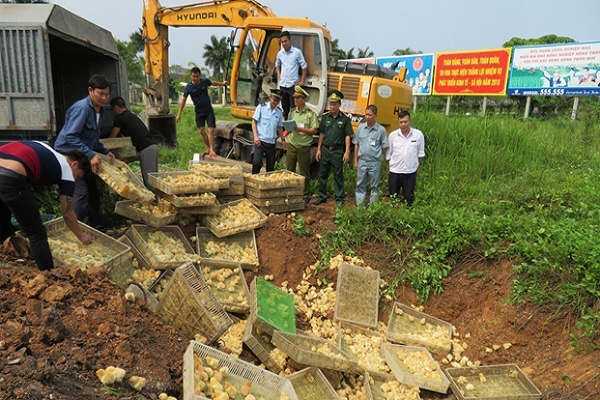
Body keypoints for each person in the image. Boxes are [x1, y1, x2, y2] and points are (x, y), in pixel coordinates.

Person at [0, 141, 93, 271]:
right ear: (74, 164)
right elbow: (67, 213)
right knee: (37, 233)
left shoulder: (46, 149)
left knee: (3, 216)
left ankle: (5, 259)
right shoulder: (66, 171)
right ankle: (49, 275)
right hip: (11, 176)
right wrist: (81, 235)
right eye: (77, 175)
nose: (75, 179)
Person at [54, 74, 114, 230]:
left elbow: (92, 139)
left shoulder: (100, 111)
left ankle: (98, 228)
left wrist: (104, 151)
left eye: (106, 94)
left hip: (84, 153)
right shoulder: (81, 108)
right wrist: (92, 154)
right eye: (100, 93)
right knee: (81, 193)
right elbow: (70, 136)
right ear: (90, 91)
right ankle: (80, 230)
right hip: (70, 154)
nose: (104, 98)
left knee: (93, 192)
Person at [109, 96, 159, 191]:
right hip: (152, 147)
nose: (113, 113)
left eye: (112, 110)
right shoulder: (131, 115)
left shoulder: (120, 118)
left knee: (149, 180)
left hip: (146, 148)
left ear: (116, 107)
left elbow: (112, 138)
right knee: (153, 178)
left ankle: (155, 203)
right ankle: (157, 200)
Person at [176, 67, 228, 157]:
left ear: (199, 75)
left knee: (211, 130)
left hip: (208, 110)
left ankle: (212, 150)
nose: (195, 79)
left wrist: (223, 84)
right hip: (199, 112)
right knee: (202, 131)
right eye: (193, 77)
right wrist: (179, 114)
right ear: (191, 77)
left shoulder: (204, 81)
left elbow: (213, 83)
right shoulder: (189, 87)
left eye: (197, 76)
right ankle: (208, 148)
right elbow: (183, 100)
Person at [315, 90, 353, 205]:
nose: (332, 106)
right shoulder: (325, 118)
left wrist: (346, 152)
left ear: (339, 105)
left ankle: (339, 198)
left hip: (337, 151)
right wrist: (318, 149)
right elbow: (321, 133)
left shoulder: (344, 119)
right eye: (331, 104)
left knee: (338, 175)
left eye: (334, 104)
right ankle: (322, 196)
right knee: (322, 174)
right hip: (325, 150)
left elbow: (347, 136)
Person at [286, 86, 318, 202]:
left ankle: (305, 194)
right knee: (289, 170)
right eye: (294, 97)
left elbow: (314, 130)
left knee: (304, 171)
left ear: (304, 99)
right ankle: (289, 192)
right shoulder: (292, 112)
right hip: (292, 144)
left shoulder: (310, 114)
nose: (295, 100)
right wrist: (287, 129)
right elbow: (290, 126)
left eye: (298, 98)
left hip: (304, 146)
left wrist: (301, 130)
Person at [386, 110, 425, 205]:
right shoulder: (393, 136)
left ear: (410, 121)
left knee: (409, 198)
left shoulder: (418, 135)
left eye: (405, 122)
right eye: (401, 122)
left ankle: (409, 215)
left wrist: (416, 168)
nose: (403, 124)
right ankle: (393, 216)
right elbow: (388, 155)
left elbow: (420, 155)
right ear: (398, 122)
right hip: (395, 172)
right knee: (393, 198)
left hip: (410, 172)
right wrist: (389, 169)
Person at [353, 104, 389, 206]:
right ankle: (360, 207)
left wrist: (377, 155)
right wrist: (356, 161)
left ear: (375, 115)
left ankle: (372, 207)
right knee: (360, 185)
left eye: (370, 115)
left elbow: (385, 146)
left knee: (374, 186)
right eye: (366, 114)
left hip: (374, 163)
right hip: (362, 161)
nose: (368, 117)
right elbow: (356, 145)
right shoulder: (360, 128)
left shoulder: (381, 130)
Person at [275, 31, 307, 119]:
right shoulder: (280, 54)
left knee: (294, 108)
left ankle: (293, 129)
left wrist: (302, 81)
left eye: (285, 41)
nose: (284, 44)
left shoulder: (297, 53)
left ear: (290, 41)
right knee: (285, 109)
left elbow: (304, 66)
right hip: (283, 85)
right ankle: (285, 129)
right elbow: (277, 65)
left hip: (292, 85)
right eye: (282, 42)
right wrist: (279, 75)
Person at [251, 89, 284, 174]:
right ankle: (253, 179)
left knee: (270, 167)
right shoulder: (261, 107)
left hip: (271, 143)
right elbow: (254, 121)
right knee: (257, 163)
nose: (275, 102)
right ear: (270, 97)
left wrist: (283, 139)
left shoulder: (279, 112)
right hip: (260, 141)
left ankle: (267, 184)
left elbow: (279, 127)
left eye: (278, 100)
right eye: (274, 99)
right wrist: (255, 136)